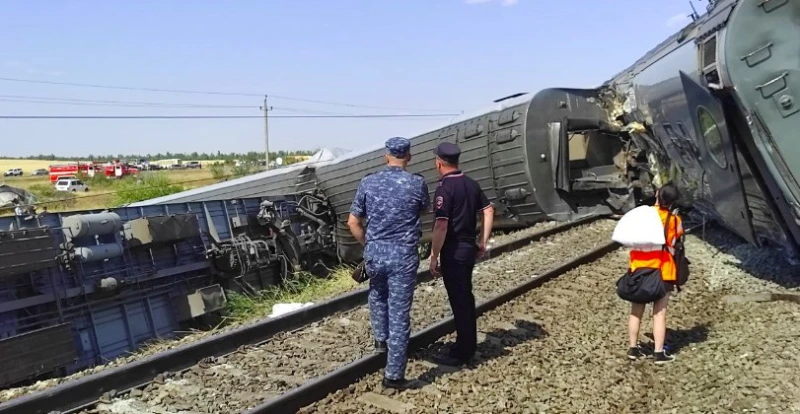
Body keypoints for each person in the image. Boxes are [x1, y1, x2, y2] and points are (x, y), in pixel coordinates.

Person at [347, 136, 430, 390]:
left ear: (386, 156)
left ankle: (381, 340)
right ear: (408, 157)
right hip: (403, 255)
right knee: (399, 311)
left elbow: (353, 222)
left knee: (377, 294)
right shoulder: (417, 183)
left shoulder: (368, 182)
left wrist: (369, 245)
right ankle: (393, 376)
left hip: (375, 253)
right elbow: (424, 210)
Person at [428, 142, 494, 366]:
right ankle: (467, 344)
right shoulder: (471, 183)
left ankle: (463, 351)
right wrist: (482, 242)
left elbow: (441, 226)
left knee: (460, 300)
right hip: (468, 248)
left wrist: (434, 255)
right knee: (465, 296)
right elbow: (488, 210)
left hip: (453, 251)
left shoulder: (444, 188)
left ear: (439, 163)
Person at [626, 182, 683, 364]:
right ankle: (659, 353)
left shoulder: (642, 216)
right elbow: (675, 241)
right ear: (673, 202)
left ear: (657, 194)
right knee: (659, 314)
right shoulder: (674, 221)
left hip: (639, 269)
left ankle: (633, 349)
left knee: (636, 311)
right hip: (663, 271)